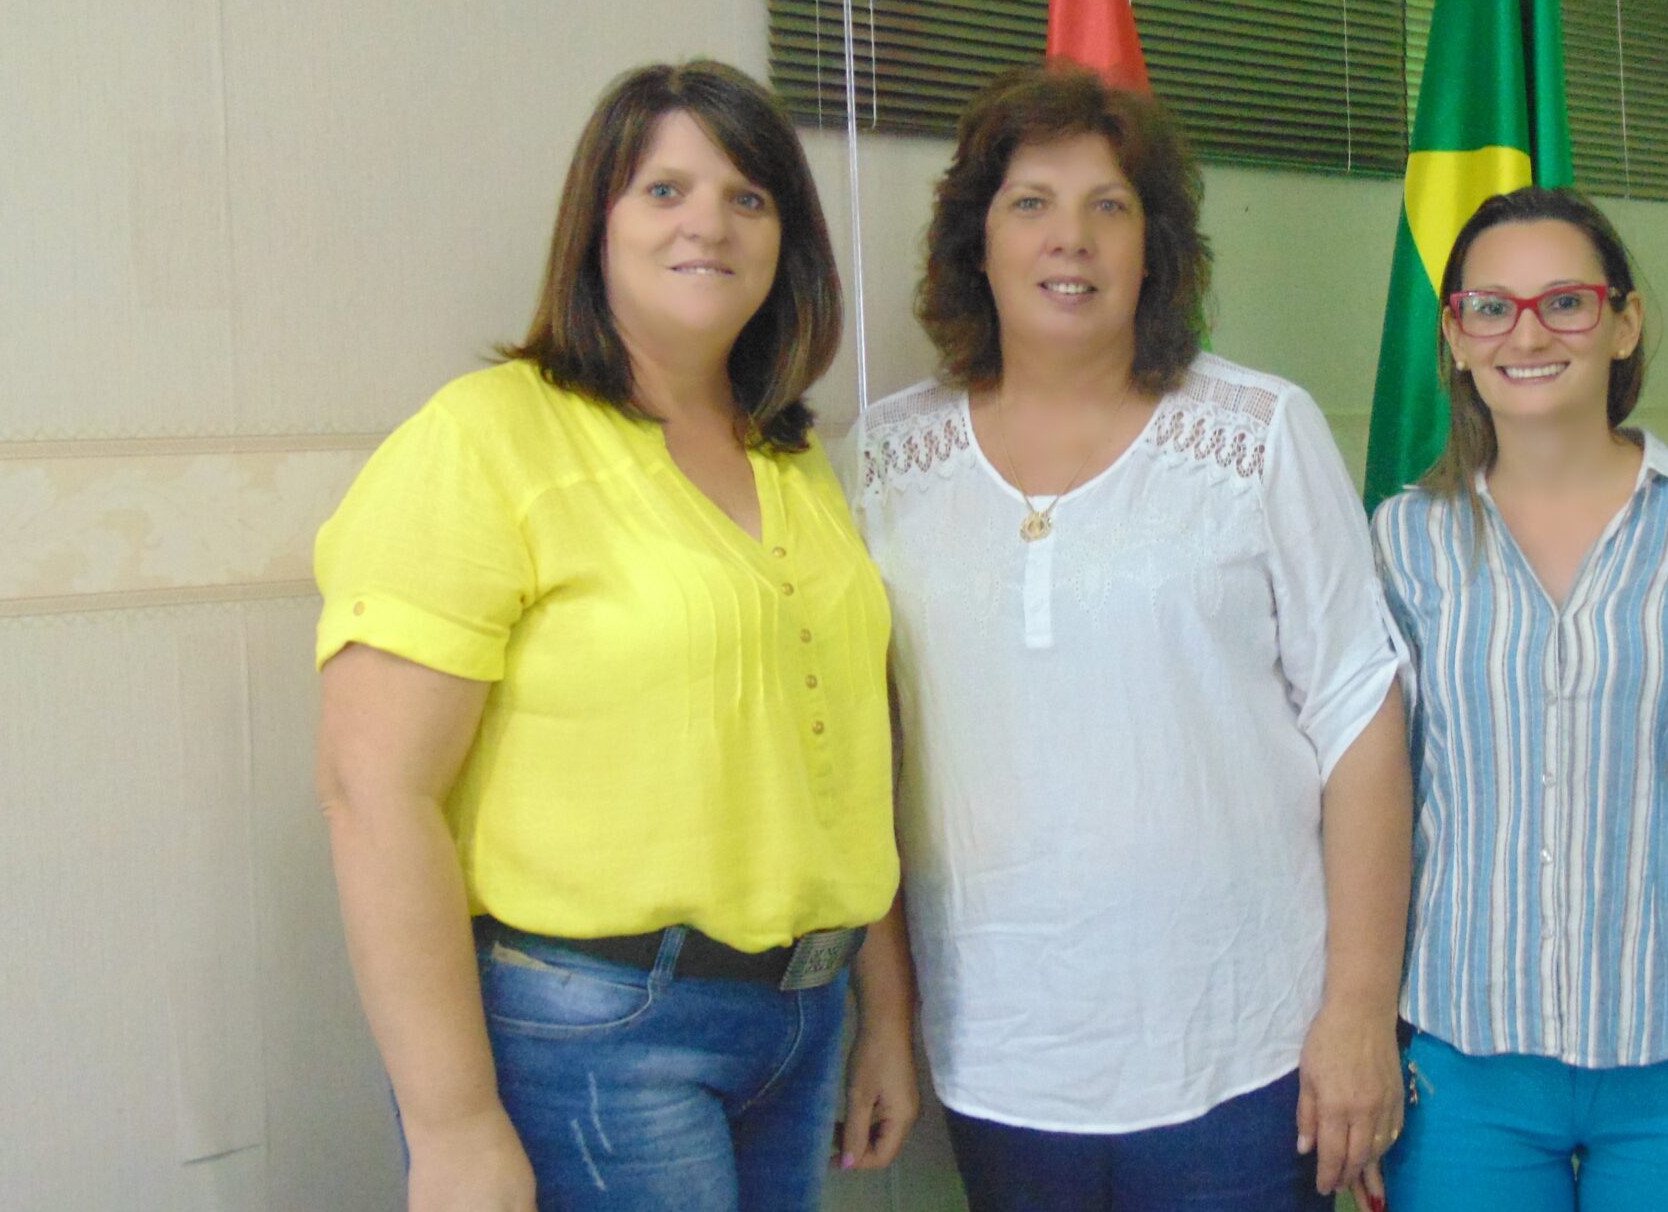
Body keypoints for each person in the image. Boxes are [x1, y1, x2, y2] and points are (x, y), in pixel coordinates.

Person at [313, 60, 917, 1212]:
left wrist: (883, 1013)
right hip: (593, 1032)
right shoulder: (484, 438)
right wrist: (451, 1125)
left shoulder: (793, 457)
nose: (709, 222)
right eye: (664, 190)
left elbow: (846, 761)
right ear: (595, 222)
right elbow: (369, 790)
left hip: (801, 1023)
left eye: (749, 196)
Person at [851, 63, 1413, 1212]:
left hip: (1246, 1051)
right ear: (977, 244)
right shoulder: (879, 464)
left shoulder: (1258, 432)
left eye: (1109, 205)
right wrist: (888, 1017)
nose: (1073, 238)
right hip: (1001, 1057)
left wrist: (1358, 1004)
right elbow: (863, 763)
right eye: (1031, 203)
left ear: (1153, 247)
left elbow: (1361, 717)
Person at [1367, 187, 1668, 1212]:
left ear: (1623, 322)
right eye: (1490, 307)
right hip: (1461, 1067)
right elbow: (1375, 811)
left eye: (1564, 301)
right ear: (1455, 337)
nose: (1526, 331)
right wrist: (1364, 1042)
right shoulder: (1400, 540)